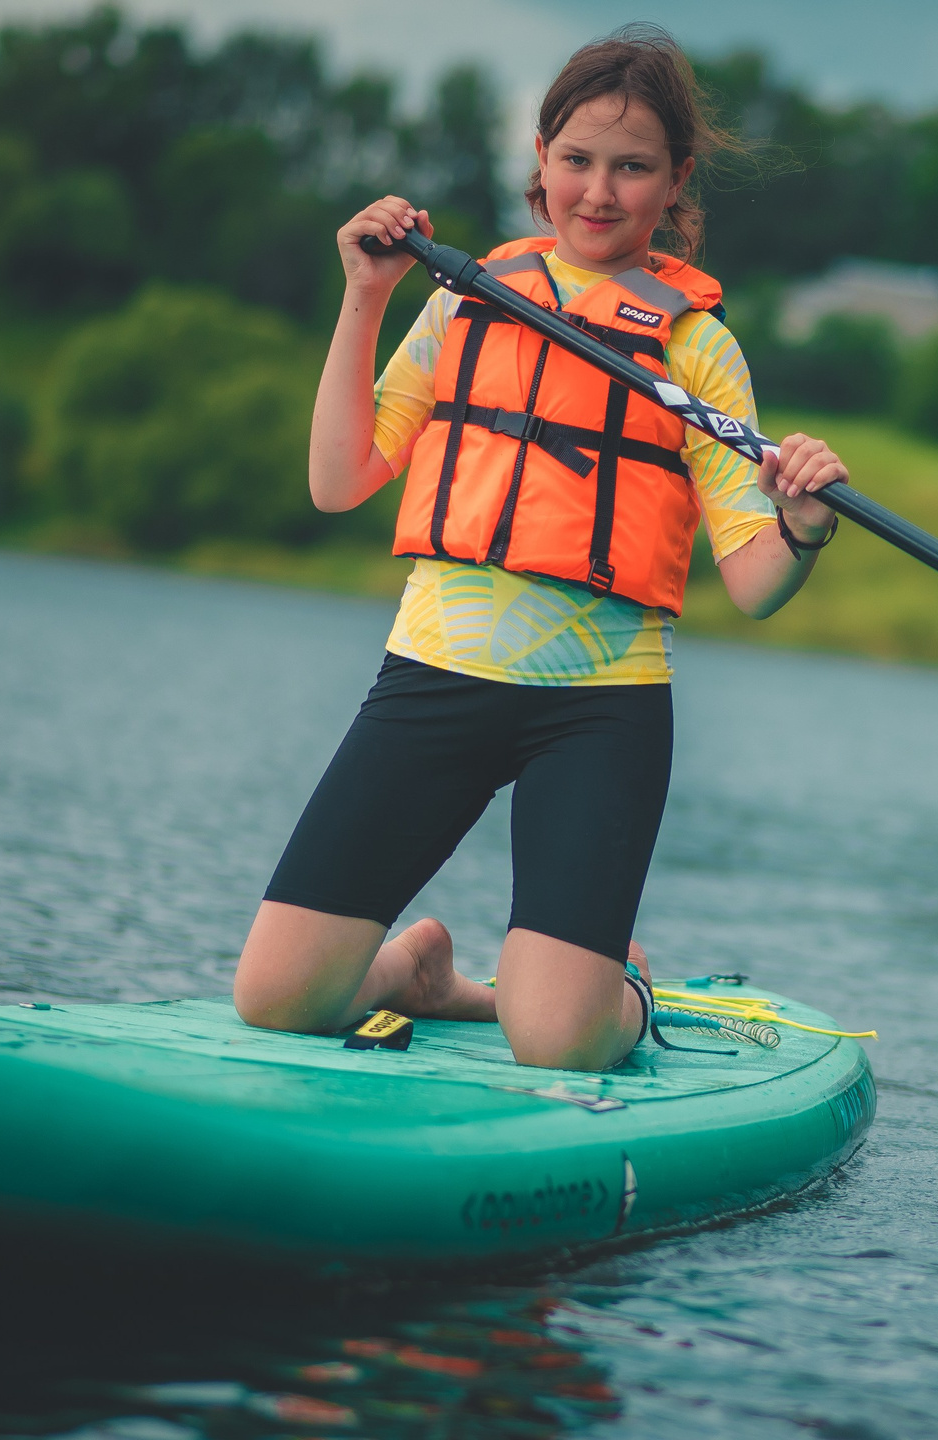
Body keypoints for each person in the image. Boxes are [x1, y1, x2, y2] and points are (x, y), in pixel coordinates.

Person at [230, 26, 848, 1071]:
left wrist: (802, 525)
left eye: (631, 166)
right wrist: (365, 296)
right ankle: (420, 977)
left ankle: (625, 982)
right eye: (576, 160)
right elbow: (338, 483)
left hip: (598, 712)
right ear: (540, 160)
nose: (598, 192)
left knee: (557, 1041)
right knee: (277, 998)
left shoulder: (697, 351)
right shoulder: (463, 301)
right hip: (434, 678)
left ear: (674, 181)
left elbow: (753, 585)